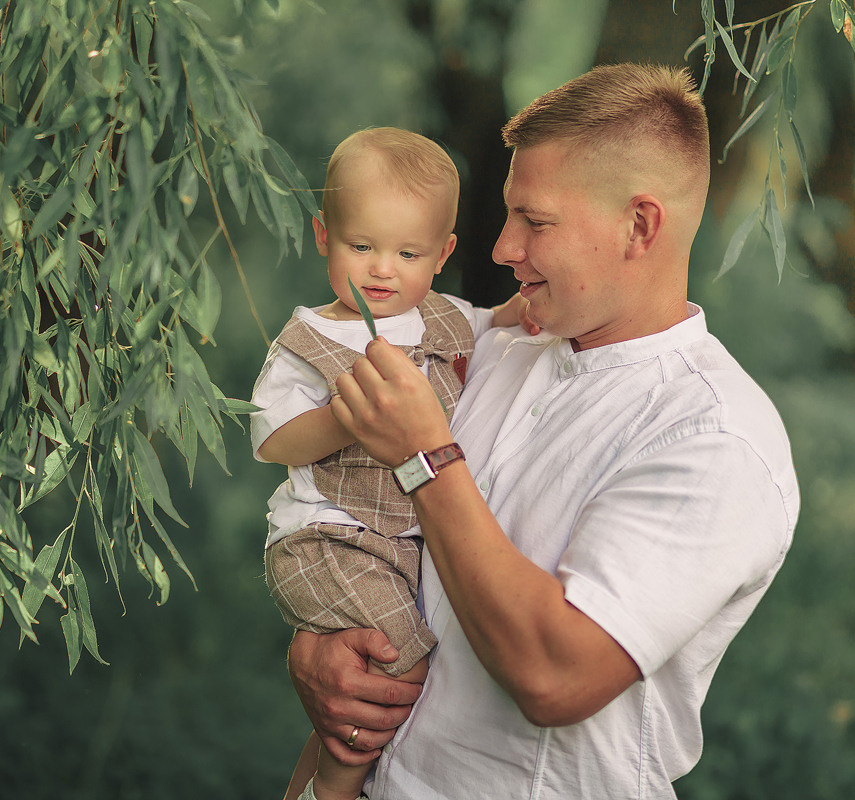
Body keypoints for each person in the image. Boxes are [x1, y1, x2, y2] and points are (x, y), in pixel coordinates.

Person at [287, 64, 801, 799]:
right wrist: (316, 650)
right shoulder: (491, 355)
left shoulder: (715, 438)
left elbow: (555, 678)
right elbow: (367, 543)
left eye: (536, 220)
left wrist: (424, 459)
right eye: (508, 215)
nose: (501, 248)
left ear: (640, 225)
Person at [250, 127, 529, 800]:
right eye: (361, 246)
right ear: (324, 236)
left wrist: (525, 310)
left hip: (398, 544)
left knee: (399, 654)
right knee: (396, 665)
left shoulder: (445, 319)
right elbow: (273, 440)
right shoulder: (309, 339)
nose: (382, 269)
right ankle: (333, 789)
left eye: (407, 253)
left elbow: (497, 326)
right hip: (328, 539)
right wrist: (342, 416)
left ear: (443, 254)